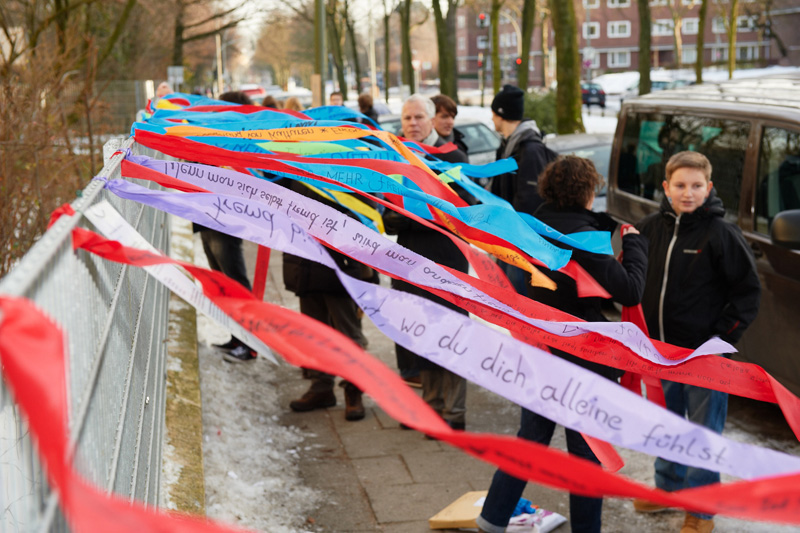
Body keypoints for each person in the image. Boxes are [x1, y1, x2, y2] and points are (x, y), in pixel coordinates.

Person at [477, 156, 648, 533]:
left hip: (538, 354)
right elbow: (631, 290)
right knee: (584, 452)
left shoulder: (529, 229)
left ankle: (492, 518)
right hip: (584, 358)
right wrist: (635, 248)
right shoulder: (586, 241)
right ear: (588, 193)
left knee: (531, 439)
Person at [632, 151, 761, 533]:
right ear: (666, 188)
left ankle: (701, 510)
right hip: (658, 352)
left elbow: (747, 292)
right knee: (665, 423)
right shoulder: (648, 227)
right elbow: (631, 280)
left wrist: (721, 340)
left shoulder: (721, 234)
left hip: (704, 356)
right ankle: (668, 489)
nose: (688, 193)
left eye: (696, 186)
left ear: (709, 188)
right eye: (680, 185)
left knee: (702, 431)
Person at [383, 93, 470, 426]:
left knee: (451, 331)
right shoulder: (395, 158)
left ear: (433, 119)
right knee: (419, 331)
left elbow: (461, 209)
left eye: (419, 117)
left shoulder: (451, 156)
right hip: (408, 256)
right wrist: (400, 218)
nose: (413, 124)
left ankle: (455, 412)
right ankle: (431, 408)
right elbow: (388, 216)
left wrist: (415, 213)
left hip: (446, 258)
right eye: (407, 119)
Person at [283, 183, 378, 422]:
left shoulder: (345, 162)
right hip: (303, 262)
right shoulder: (291, 160)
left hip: (340, 264)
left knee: (348, 335)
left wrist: (328, 224)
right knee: (314, 333)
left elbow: (366, 211)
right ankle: (321, 386)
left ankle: (353, 391)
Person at [196, 90, 258, 363]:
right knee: (221, 281)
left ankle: (249, 342)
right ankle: (235, 337)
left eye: (222, 108)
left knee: (235, 281)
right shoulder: (214, 135)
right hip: (206, 217)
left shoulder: (242, 141)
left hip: (227, 220)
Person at [489, 84, 555, 294]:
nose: (491, 119)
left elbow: (530, 199)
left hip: (520, 244)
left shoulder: (530, 149)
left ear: (502, 114)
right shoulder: (508, 145)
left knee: (520, 299)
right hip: (508, 239)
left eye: (493, 114)